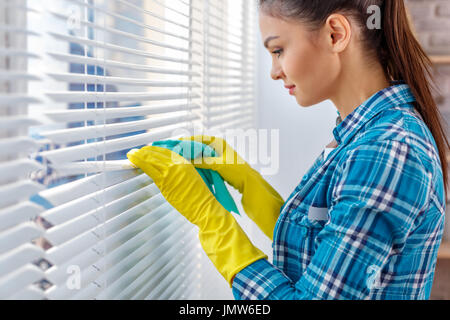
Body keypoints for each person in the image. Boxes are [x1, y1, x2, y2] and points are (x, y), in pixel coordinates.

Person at [127, 0, 448, 300]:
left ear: (335, 34)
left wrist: (213, 224)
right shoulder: (364, 132)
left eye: (278, 49)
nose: (274, 70)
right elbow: (329, 249)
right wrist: (250, 186)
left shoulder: (387, 151)